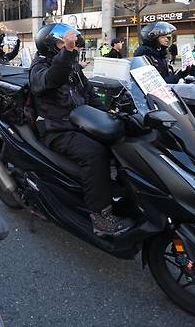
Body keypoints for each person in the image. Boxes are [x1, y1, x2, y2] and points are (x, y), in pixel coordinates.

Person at [29, 23, 134, 237]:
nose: (70, 47)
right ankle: (100, 217)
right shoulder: (39, 68)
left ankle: (120, 193)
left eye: (71, 44)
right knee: (94, 153)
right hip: (56, 129)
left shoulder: (73, 66)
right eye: (62, 43)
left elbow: (89, 94)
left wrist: (108, 114)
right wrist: (67, 54)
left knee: (120, 139)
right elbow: (51, 80)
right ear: (50, 45)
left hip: (78, 123)